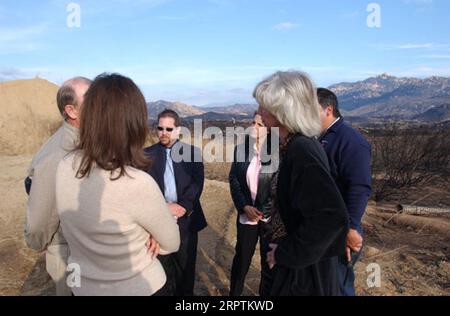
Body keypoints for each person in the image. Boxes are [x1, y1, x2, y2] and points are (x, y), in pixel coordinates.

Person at [55, 73, 180, 296]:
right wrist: (152, 230)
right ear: (133, 124)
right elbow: (171, 243)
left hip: (83, 287)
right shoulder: (137, 183)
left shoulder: (64, 167)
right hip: (138, 287)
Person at [254, 71, 349, 296]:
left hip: (305, 279)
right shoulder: (294, 146)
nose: (259, 112)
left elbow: (331, 217)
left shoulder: (301, 150)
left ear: (282, 110)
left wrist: (286, 252)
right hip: (300, 272)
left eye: (263, 106)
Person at [24, 76, 92, 296]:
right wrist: (41, 243)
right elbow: (39, 220)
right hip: (69, 253)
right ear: (71, 111)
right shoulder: (58, 155)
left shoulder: (85, 141)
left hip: (87, 250)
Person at [145, 109, 207, 296]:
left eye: (169, 128)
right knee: (162, 272)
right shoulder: (145, 155)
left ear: (178, 130)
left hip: (185, 220)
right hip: (157, 221)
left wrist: (183, 207)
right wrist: (163, 209)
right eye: (160, 128)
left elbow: (197, 183)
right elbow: (144, 189)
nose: (164, 132)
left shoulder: (192, 153)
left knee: (185, 271)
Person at [317, 88, 372, 296]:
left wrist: (350, 228)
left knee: (338, 286)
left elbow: (359, 187)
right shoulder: (320, 138)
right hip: (324, 228)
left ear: (328, 110)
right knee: (324, 285)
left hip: (341, 230)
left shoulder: (350, 141)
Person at [228, 112, 275, 296]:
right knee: (241, 261)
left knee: (268, 264)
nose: (254, 127)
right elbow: (234, 180)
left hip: (268, 219)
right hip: (246, 216)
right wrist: (244, 206)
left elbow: (279, 186)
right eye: (253, 122)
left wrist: (263, 211)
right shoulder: (241, 149)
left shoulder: (278, 151)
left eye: (260, 124)